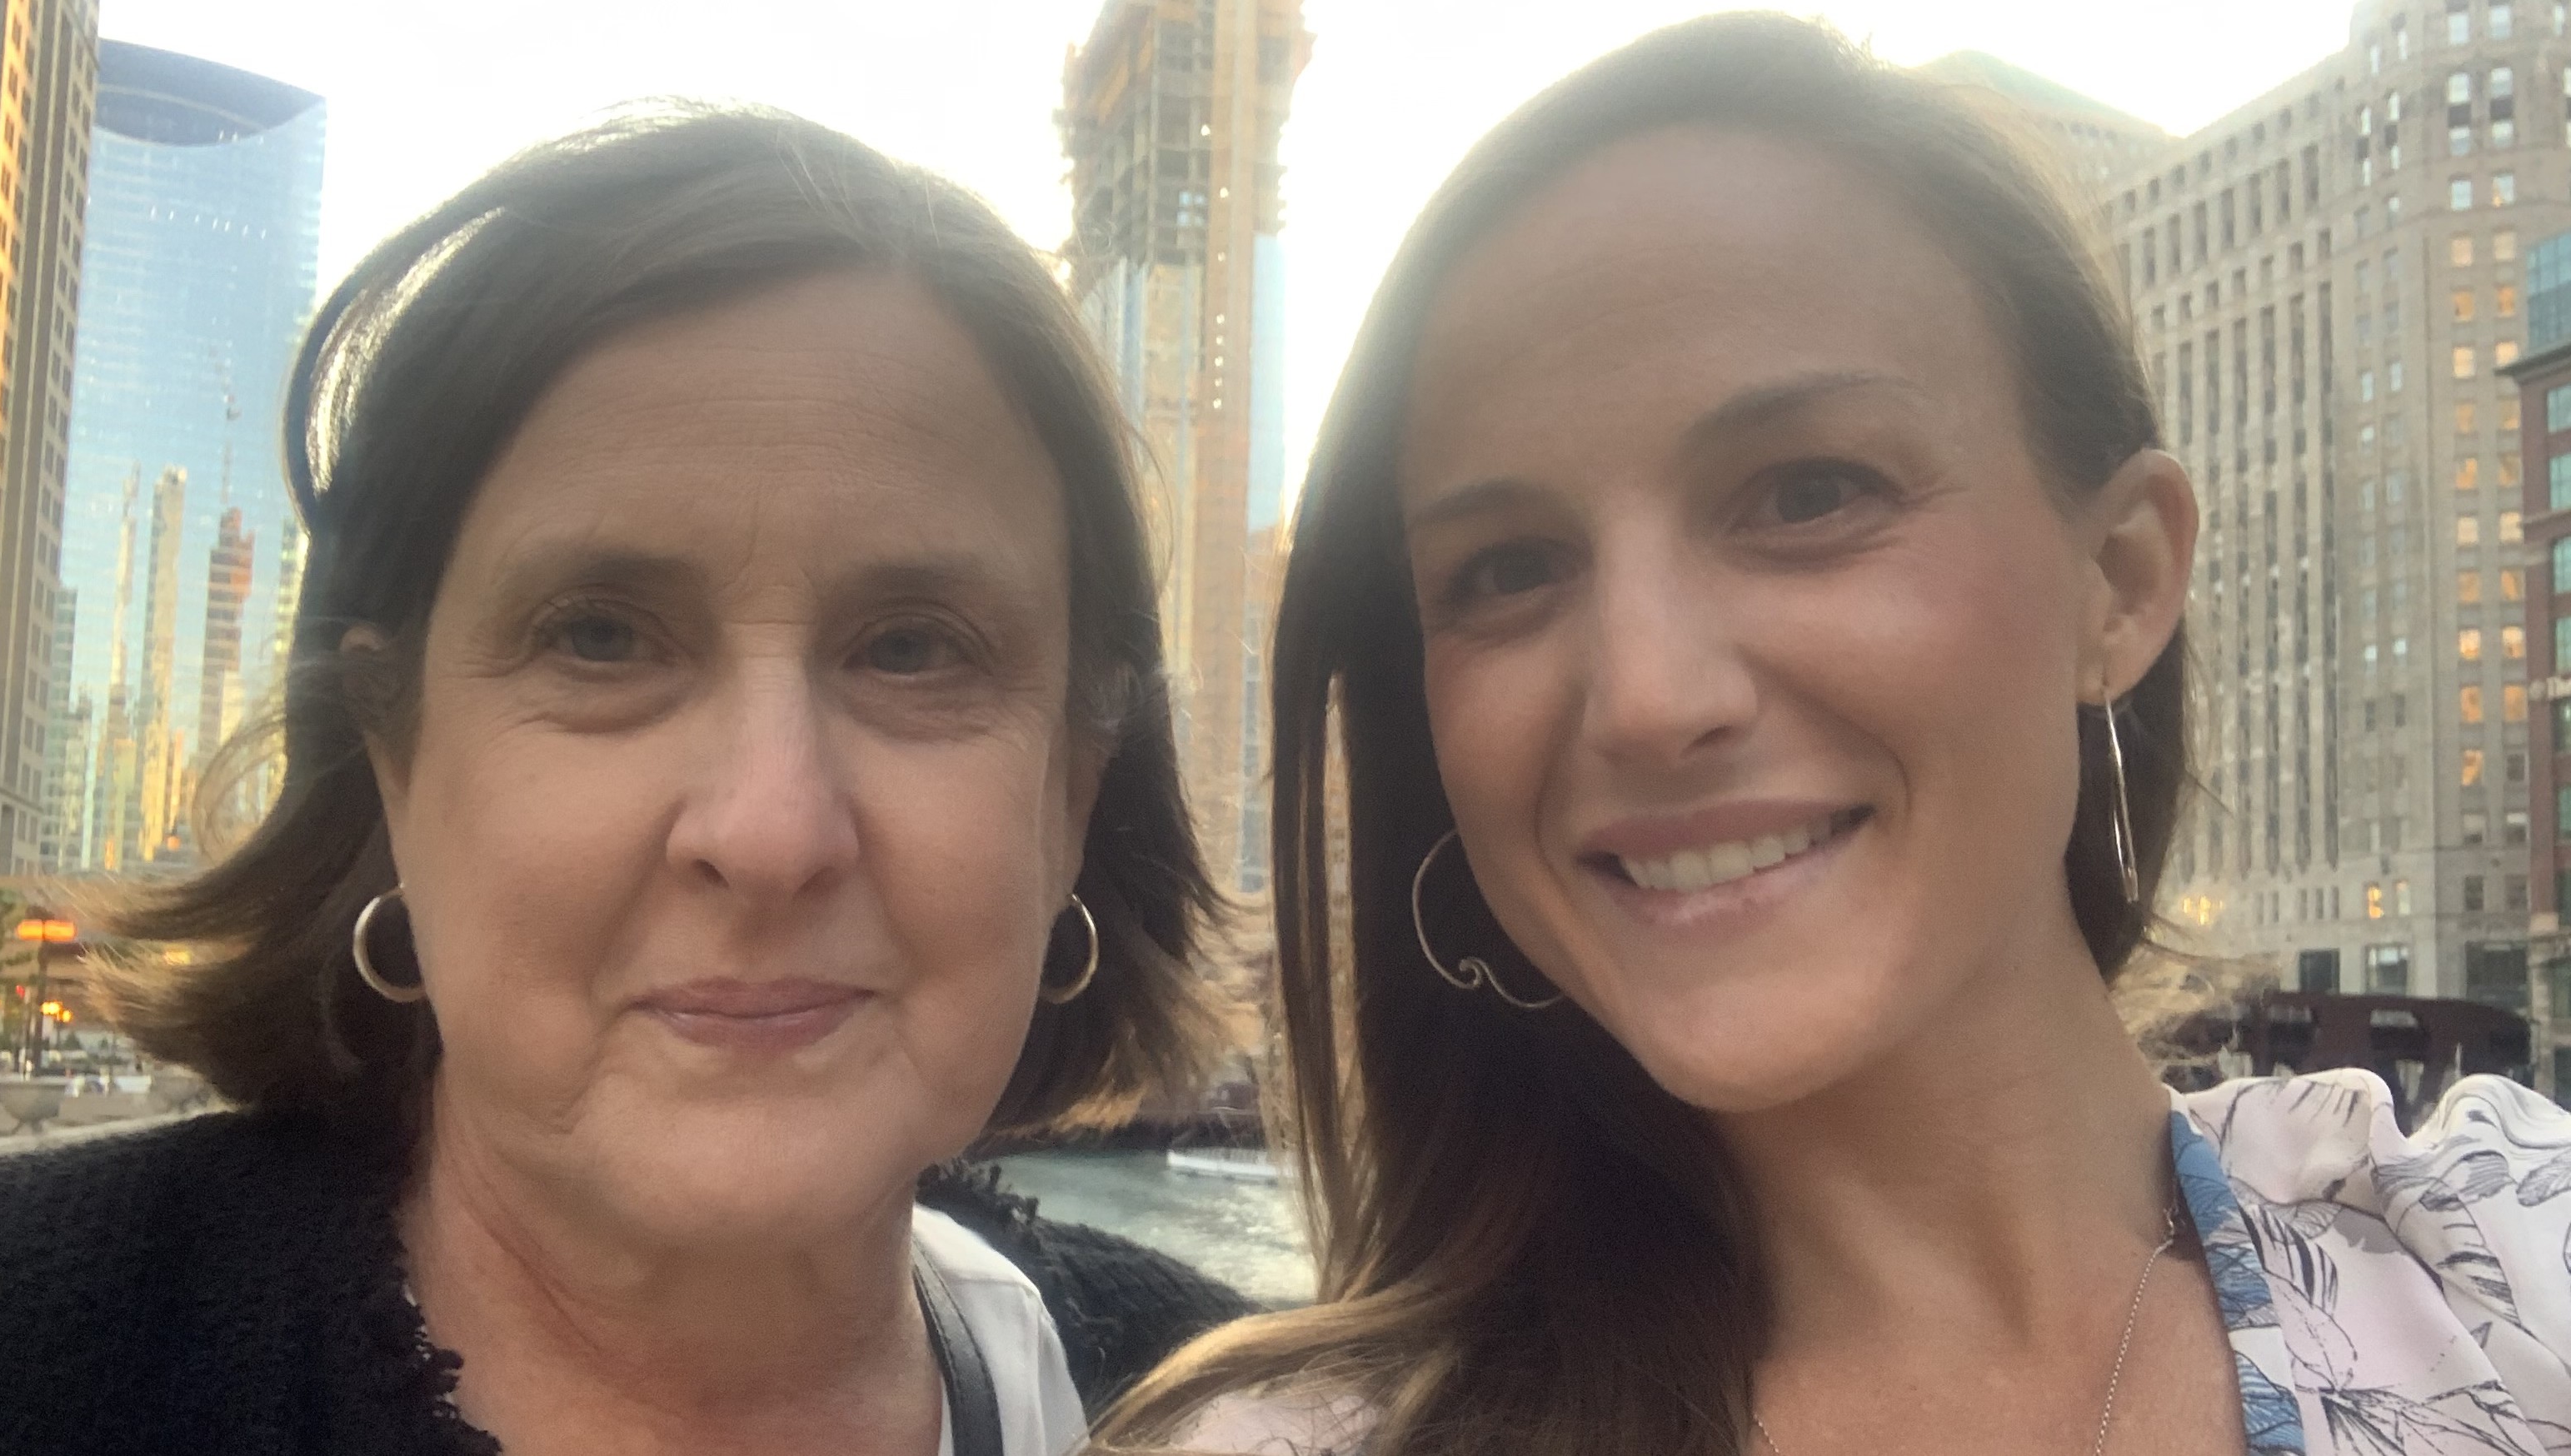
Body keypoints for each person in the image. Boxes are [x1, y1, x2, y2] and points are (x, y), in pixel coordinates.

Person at [1099, 16, 2571, 1456]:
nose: (1648, 697)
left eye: (1808, 494)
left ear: (2120, 581)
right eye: (1508, 570)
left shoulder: (2516, 1258)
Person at [0, 108, 1254, 1456]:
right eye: (599, 637)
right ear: (393, 756)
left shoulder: (1259, 1413)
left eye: (911, 650)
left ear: (1073, 791)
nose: (770, 832)